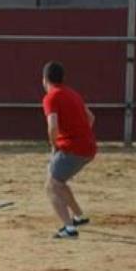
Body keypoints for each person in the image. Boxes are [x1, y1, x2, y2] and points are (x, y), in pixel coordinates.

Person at [41, 61, 96, 239]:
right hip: (88, 146)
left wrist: (54, 145)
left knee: (51, 185)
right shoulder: (73, 93)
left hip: (72, 148)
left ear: (44, 80)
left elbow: (52, 127)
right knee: (59, 181)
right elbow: (91, 117)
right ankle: (79, 216)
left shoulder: (51, 97)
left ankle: (69, 228)